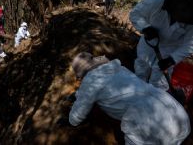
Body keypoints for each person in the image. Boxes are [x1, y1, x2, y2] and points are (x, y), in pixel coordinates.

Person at [60, 52, 190, 144]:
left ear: (82, 74)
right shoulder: (118, 68)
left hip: (149, 126)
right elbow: (106, 84)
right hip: (180, 118)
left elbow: (79, 112)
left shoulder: (90, 81)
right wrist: (78, 94)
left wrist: (71, 121)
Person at [129, 0, 193, 91]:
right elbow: (135, 14)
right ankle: (137, 93)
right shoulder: (155, 0)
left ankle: (156, 99)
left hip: (171, 48)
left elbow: (190, 45)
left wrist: (172, 59)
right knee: (141, 67)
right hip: (150, 42)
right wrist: (145, 28)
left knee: (160, 81)